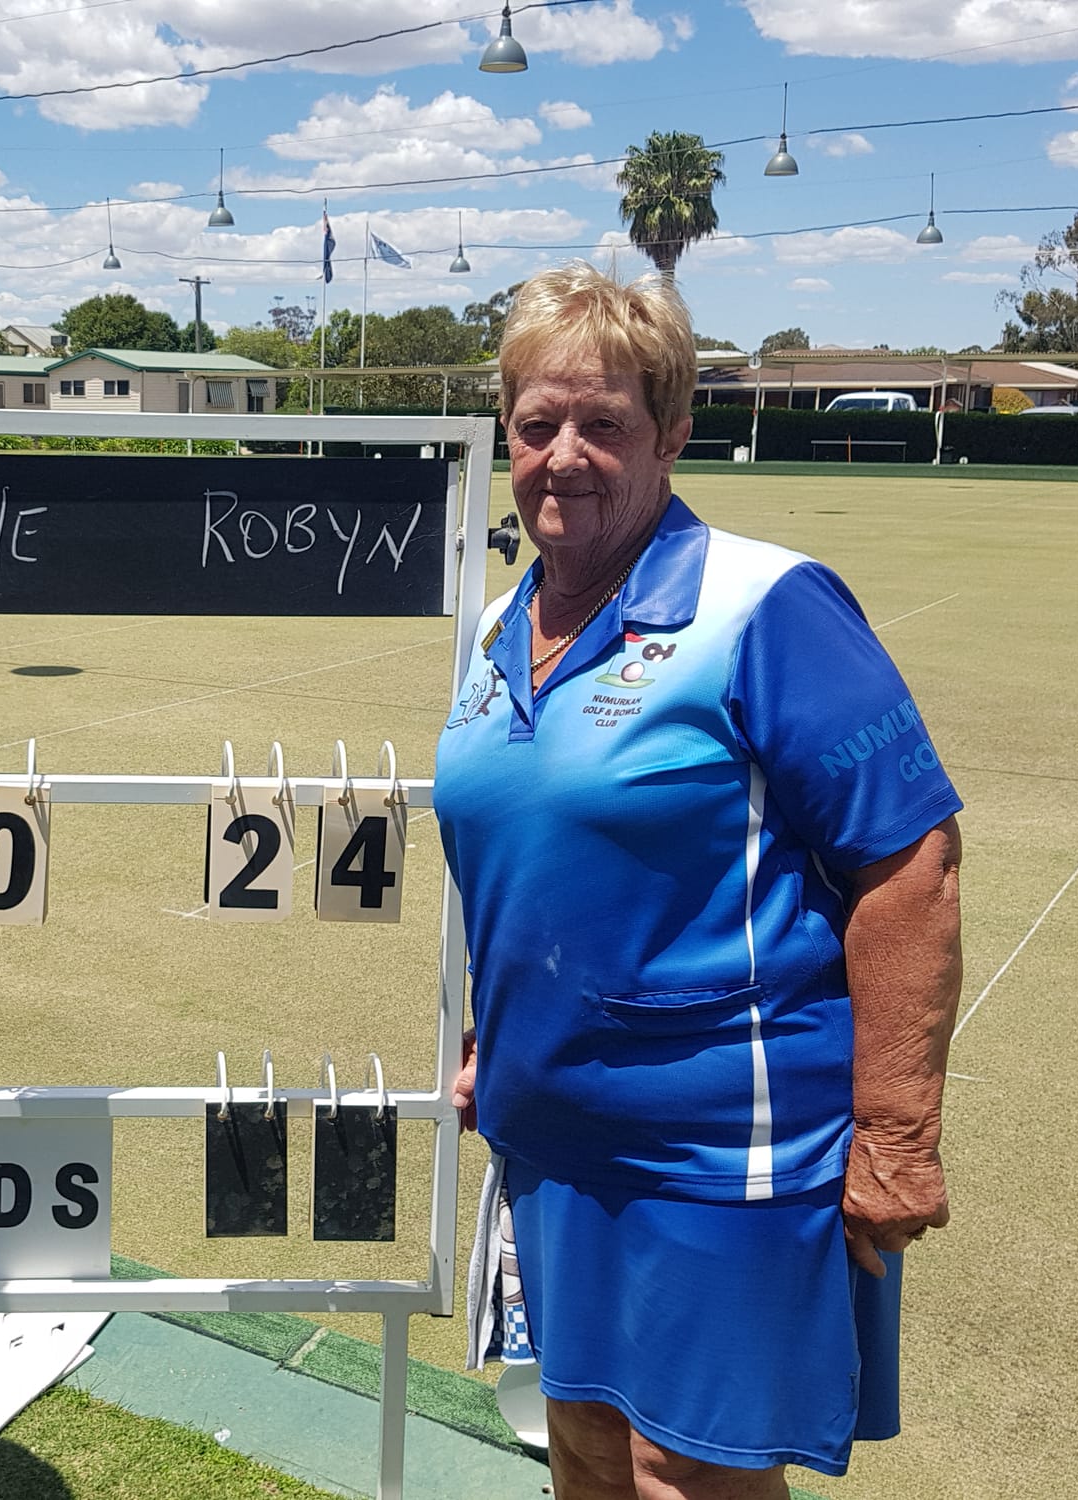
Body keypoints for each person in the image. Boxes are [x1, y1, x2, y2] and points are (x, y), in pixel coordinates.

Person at [435, 263, 963, 1499]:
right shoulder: (503, 621)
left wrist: (895, 1134)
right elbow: (519, 852)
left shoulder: (764, 604)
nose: (564, 455)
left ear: (672, 434)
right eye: (536, 424)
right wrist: (485, 1038)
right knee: (573, 1441)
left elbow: (912, 865)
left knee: (688, 1473)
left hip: (721, 1146)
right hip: (553, 1132)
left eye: (603, 424)